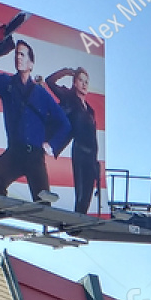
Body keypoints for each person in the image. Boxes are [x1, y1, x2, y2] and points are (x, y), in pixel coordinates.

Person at [0, 27, 70, 203]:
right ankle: (3, 214)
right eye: (16, 54)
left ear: (31, 64)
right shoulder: (7, 84)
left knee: (44, 203)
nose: (18, 57)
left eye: (23, 55)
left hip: (35, 156)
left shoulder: (42, 94)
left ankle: (44, 230)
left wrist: (52, 145)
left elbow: (65, 124)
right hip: (15, 152)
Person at [44, 67, 99, 213]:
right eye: (80, 80)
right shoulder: (69, 97)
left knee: (88, 196)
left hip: (91, 156)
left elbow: (94, 137)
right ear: (74, 83)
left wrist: (96, 162)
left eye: (86, 81)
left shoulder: (90, 110)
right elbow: (49, 81)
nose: (84, 84)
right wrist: (66, 72)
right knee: (80, 194)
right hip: (79, 152)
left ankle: (80, 226)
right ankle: (75, 225)